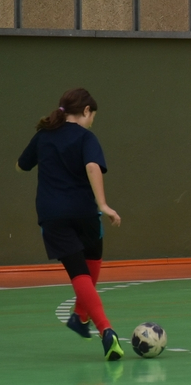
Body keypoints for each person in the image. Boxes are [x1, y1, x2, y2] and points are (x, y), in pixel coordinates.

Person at [16, 88, 125, 360]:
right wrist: (103, 204)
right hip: (84, 212)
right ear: (86, 112)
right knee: (91, 263)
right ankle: (104, 329)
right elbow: (92, 167)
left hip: (52, 214)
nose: (92, 123)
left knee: (80, 271)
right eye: (92, 118)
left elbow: (21, 165)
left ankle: (82, 317)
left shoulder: (43, 136)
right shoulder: (86, 137)